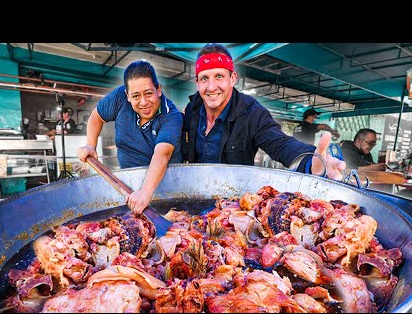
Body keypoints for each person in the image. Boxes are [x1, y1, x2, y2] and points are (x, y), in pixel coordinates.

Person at [182, 43, 345, 180]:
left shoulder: (252, 112)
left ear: (232, 78)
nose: (211, 87)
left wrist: (312, 162)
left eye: (219, 76)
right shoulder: (192, 109)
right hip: (194, 196)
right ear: (197, 83)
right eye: (204, 78)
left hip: (232, 204)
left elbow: (280, 144)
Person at [77, 60, 183, 214]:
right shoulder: (119, 98)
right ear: (127, 95)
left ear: (158, 89)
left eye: (148, 93)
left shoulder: (171, 116)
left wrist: (145, 192)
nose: (144, 102)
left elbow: (163, 153)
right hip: (128, 186)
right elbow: (97, 116)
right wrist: (90, 145)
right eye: (136, 96)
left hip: (166, 190)